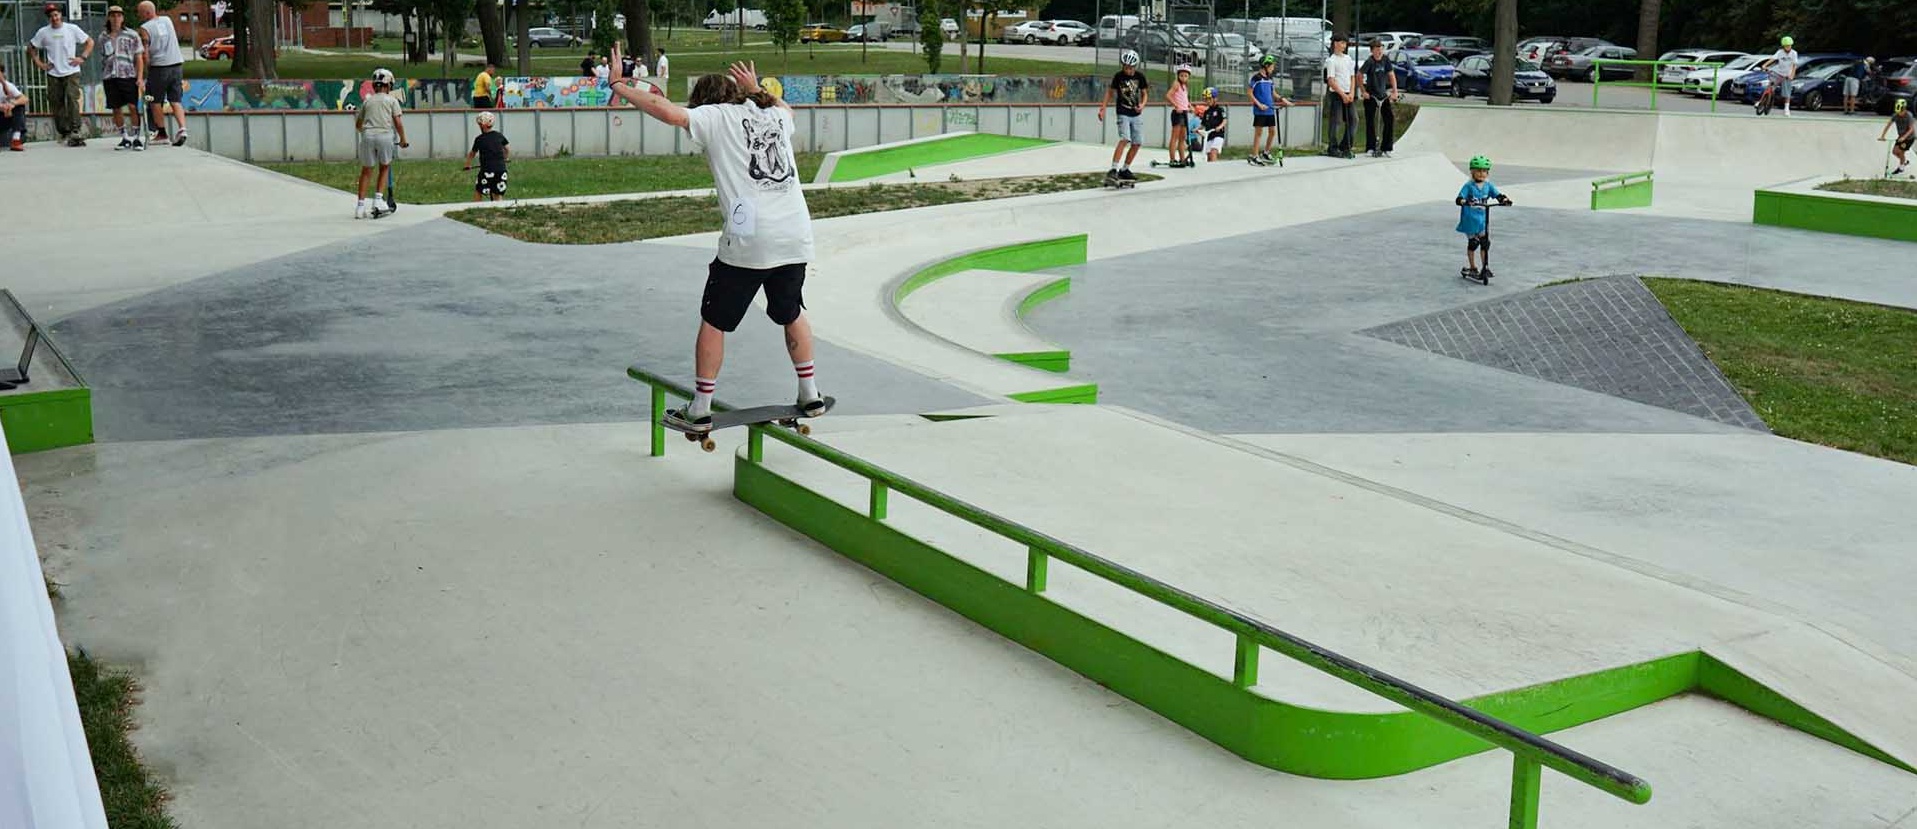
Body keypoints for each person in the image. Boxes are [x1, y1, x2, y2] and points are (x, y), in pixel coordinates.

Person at [604, 45, 826, 431]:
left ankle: (700, 406)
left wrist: (619, 85)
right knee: (791, 311)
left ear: (704, 102)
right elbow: (789, 110)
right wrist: (758, 89)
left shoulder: (714, 116)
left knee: (714, 320)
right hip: (795, 234)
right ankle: (810, 394)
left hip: (751, 240)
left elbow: (670, 114)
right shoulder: (772, 112)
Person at [29, 3, 93, 147]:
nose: (54, 18)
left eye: (56, 15)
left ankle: (76, 129)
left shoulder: (72, 29)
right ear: (49, 18)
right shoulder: (43, 32)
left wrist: (82, 57)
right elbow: (31, 47)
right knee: (56, 102)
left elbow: (89, 42)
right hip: (53, 72)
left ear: (60, 15)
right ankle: (64, 131)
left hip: (71, 70)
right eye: (51, 16)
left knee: (72, 98)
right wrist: (40, 63)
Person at [354, 68, 409, 219]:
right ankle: (378, 200)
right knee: (384, 167)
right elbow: (398, 122)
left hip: (368, 136)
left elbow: (358, 123)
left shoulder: (367, 101)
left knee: (366, 170)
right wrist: (403, 139)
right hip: (384, 135)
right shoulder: (392, 101)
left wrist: (364, 132)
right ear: (388, 84)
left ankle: (360, 207)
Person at [138, 1, 188, 146]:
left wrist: (146, 68)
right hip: (176, 64)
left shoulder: (145, 28)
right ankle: (182, 128)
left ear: (147, 13)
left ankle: (162, 133)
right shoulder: (167, 20)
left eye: (140, 12)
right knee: (175, 99)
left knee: (155, 101)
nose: (139, 15)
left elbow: (145, 51)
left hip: (159, 67)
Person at [1455, 155, 1511, 281]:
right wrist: (1464, 201)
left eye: (1484, 171)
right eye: (1478, 171)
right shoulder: (1469, 186)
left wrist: (1504, 200)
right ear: (1472, 172)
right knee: (1474, 243)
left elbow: (1498, 195)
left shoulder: (1488, 186)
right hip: (1469, 220)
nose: (1481, 174)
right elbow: (1459, 198)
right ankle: (1473, 267)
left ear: (1487, 172)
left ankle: (1485, 267)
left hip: (1482, 220)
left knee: (1485, 243)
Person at [1097, 49, 1149, 183]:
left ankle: (1125, 169)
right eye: (1126, 67)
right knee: (1125, 138)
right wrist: (1103, 108)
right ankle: (1113, 169)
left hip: (1136, 113)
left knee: (1137, 142)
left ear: (1135, 67)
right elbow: (1109, 93)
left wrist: (1142, 105)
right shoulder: (1118, 76)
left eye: (1131, 68)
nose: (1128, 70)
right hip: (1123, 112)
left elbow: (1144, 94)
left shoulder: (1140, 77)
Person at [101, 6, 147, 151]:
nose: (116, 19)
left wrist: (139, 78)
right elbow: (103, 56)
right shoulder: (103, 36)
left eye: (119, 16)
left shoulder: (132, 35)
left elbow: (139, 57)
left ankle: (136, 137)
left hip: (127, 74)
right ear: (109, 17)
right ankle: (124, 136)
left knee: (132, 106)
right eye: (113, 16)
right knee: (116, 108)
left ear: (123, 18)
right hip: (110, 75)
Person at [1245, 54, 1291, 166]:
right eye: (1272, 66)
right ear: (1265, 66)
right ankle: (1254, 156)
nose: (1273, 68)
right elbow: (1249, 93)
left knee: (1272, 131)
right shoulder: (1256, 78)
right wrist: (1259, 104)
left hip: (1270, 109)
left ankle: (1266, 152)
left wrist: (1282, 99)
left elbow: (1273, 93)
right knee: (1259, 132)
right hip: (1260, 110)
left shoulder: (1270, 79)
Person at [1359, 38, 1398, 158]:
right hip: (1371, 95)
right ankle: (1370, 147)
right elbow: (1359, 75)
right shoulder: (1369, 62)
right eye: (1377, 50)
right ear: (1372, 51)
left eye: (1381, 49)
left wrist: (1394, 91)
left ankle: (1386, 147)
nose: (1379, 52)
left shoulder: (1385, 60)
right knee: (1370, 121)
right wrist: (1363, 91)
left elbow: (1391, 75)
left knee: (1389, 119)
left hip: (1383, 95)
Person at [463, 110, 510, 201]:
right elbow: (507, 148)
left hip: (487, 170)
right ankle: (498, 210)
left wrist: (467, 164)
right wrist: (505, 158)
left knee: (479, 190)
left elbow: (472, 153)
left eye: (479, 124)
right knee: (497, 192)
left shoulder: (479, 139)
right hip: (501, 170)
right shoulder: (499, 135)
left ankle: (477, 208)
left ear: (482, 125)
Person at [1323, 32, 1357, 158]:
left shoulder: (1348, 59)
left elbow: (1352, 77)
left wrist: (1352, 92)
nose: (1344, 45)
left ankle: (1346, 146)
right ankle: (1332, 147)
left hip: (1349, 93)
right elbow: (1331, 80)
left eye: (1345, 43)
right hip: (1337, 94)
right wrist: (1342, 94)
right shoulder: (1331, 60)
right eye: (1342, 43)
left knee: (1353, 120)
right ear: (1336, 43)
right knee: (1336, 121)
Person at [1758, 35, 1797, 117]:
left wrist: (1792, 75)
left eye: (1789, 45)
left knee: (1787, 93)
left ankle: (1786, 109)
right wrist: (1764, 65)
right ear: (1783, 46)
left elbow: (1794, 65)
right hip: (1778, 73)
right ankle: (1761, 101)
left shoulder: (1794, 53)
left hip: (1787, 75)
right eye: (1786, 46)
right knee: (1770, 85)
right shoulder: (1780, 52)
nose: (1788, 47)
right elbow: (1772, 59)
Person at [1165, 64, 1194, 168]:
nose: (1183, 78)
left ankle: (1182, 159)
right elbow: (1168, 95)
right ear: (1178, 75)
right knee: (1175, 137)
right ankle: (1172, 159)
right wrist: (1176, 106)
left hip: (1184, 113)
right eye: (1181, 75)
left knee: (1182, 137)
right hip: (1177, 113)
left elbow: (1185, 99)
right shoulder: (1176, 84)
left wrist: (1190, 106)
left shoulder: (1185, 86)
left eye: (1186, 76)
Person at [1881, 98, 1913, 177]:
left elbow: (1911, 129)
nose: (1899, 114)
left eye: (1901, 112)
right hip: (1900, 136)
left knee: (1900, 151)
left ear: (1905, 109)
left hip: (1909, 137)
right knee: (1894, 152)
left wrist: (1904, 137)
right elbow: (1888, 125)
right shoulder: (1896, 115)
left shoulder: (1909, 116)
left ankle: (1901, 167)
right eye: (1898, 112)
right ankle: (1903, 161)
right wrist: (1882, 136)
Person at [0, 65, 28, 152]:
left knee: (19, 106)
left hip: (4, 117)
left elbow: (25, 98)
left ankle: (16, 139)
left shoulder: (8, 85)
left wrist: (12, 103)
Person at [1198, 86, 1227, 162]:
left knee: (1213, 151)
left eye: (1209, 99)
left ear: (1215, 99)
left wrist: (1219, 127)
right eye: (1206, 99)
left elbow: (1224, 120)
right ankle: (1209, 171)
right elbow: (1203, 124)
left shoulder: (1220, 109)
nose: (1208, 101)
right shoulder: (1206, 112)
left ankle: (1214, 170)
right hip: (1209, 136)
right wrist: (1197, 129)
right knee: (1208, 156)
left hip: (1218, 135)